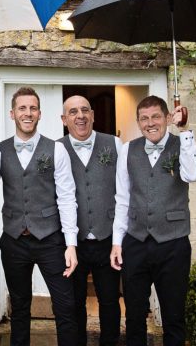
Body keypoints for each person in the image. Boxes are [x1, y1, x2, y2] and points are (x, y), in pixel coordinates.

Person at [109, 96, 196, 346]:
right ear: (139, 122)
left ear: (167, 118)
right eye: (144, 118)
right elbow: (122, 198)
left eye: (156, 117)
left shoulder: (181, 143)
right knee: (134, 316)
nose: (150, 123)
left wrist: (183, 131)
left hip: (173, 243)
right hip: (136, 243)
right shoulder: (128, 149)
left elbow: (194, 174)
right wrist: (117, 242)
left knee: (173, 316)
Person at [0, 86, 79, 346]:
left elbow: (67, 198)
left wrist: (71, 244)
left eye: (33, 108)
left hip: (50, 240)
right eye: (22, 108)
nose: (28, 113)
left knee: (65, 307)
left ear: (40, 114)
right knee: (19, 309)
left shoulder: (56, 150)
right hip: (13, 241)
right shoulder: (0, 151)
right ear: (12, 114)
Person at [59, 95, 124, 346]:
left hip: (108, 239)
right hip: (72, 243)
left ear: (94, 115)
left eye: (85, 110)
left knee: (109, 301)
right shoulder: (56, 148)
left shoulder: (115, 145)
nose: (80, 116)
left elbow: (124, 192)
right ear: (65, 120)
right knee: (74, 303)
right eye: (73, 112)